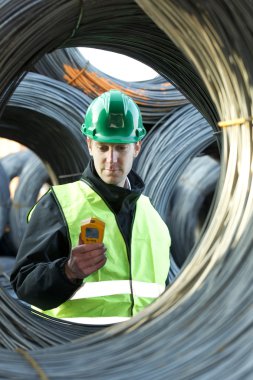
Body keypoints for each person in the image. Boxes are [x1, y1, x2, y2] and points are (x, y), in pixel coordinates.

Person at [10, 89, 171, 325]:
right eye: (103, 148)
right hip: (76, 354)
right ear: (89, 145)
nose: (112, 160)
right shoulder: (61, 204)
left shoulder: (153, 218)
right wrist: (67, 272)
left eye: (121, 148)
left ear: (137, 147)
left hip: (141, 354)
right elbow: (24, 285)